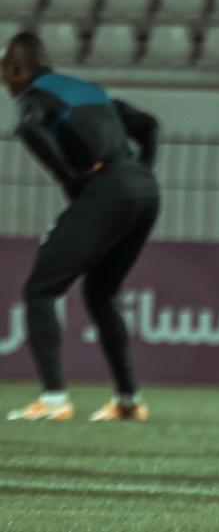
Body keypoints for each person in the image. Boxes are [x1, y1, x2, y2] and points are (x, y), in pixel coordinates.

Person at [2, 32, 160, 423]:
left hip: (107, 191)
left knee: (40, 290)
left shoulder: (35, 95)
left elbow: (28, 128)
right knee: (101, 294)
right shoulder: (86, 89)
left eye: (5, 72)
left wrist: (70, 180)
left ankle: (54, 400)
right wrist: (139, 171)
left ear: (17, 68)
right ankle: (128, 401)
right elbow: (149, 125)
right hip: (144, 192)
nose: (5, 82)